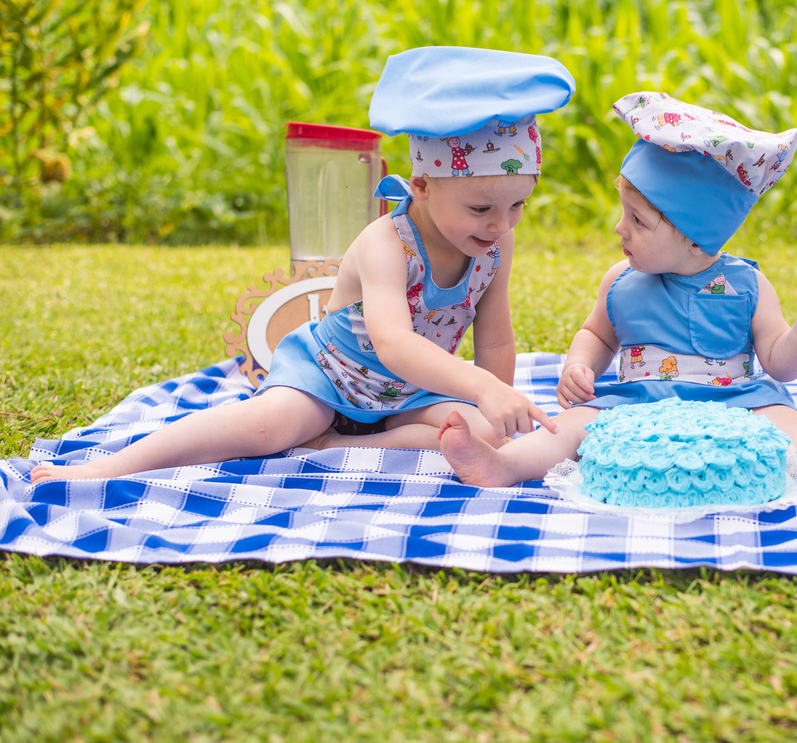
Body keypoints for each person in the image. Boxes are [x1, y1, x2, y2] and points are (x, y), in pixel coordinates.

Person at [31, 47, 575, 483]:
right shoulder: (388, 241)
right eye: (482, 208)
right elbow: (393, 342)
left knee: (477, 432)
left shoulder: (493, 250)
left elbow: (497, 341)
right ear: (424, 186)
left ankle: (343, 445)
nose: (500, 224)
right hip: (329, 376)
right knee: (268, 425)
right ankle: (112, 465)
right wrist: (480, 385)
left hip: (411, 393)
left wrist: (499, 406)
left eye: (517, 205)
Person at [440, 92, 797, 493]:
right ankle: (503, 464)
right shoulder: (621, 280)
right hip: (636, 402)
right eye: (624, 213)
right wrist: (580, 364)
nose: (620, 228)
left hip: (737, 404)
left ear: (696, 238)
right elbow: (597, 334)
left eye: (638, 220)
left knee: (784, 423)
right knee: (569, 428)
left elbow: (780, 365)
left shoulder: (747, 285)